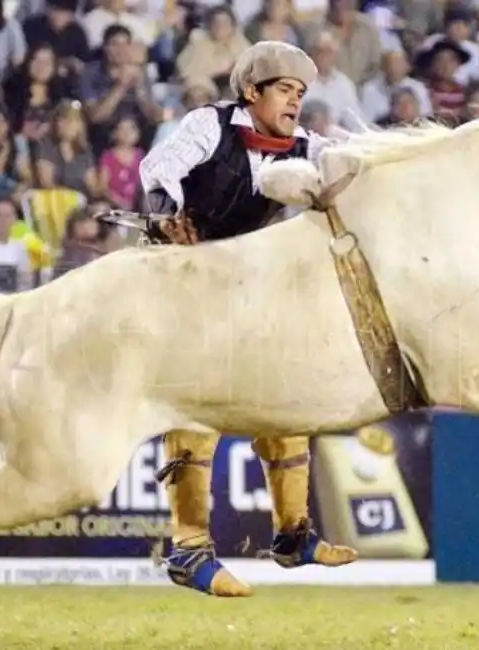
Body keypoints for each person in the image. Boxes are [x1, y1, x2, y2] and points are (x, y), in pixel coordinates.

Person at [138, 40, 357, 598]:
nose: (295, 103)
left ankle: (293, 537)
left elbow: (359, 164)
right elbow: (158, 167)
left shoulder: (310, 147)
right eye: (285, 90)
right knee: (196, 408)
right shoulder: (208, 126)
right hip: (180, 281)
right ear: (252, 92)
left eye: (302, 94)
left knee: (286, 401)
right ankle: (189, 550)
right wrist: (167, 217)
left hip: (242, 291)